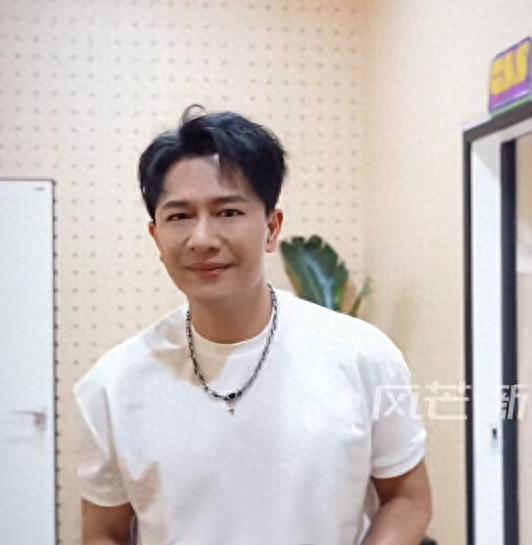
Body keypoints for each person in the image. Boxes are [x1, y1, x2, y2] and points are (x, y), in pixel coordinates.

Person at [74, 105, 432, 545]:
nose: (202, 239)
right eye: (179, 216)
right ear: (156, 238)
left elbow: (408, 499)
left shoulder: (364, 355)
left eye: (227, 212)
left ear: (271, 227)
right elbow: (103, 532)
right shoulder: (111, 385)